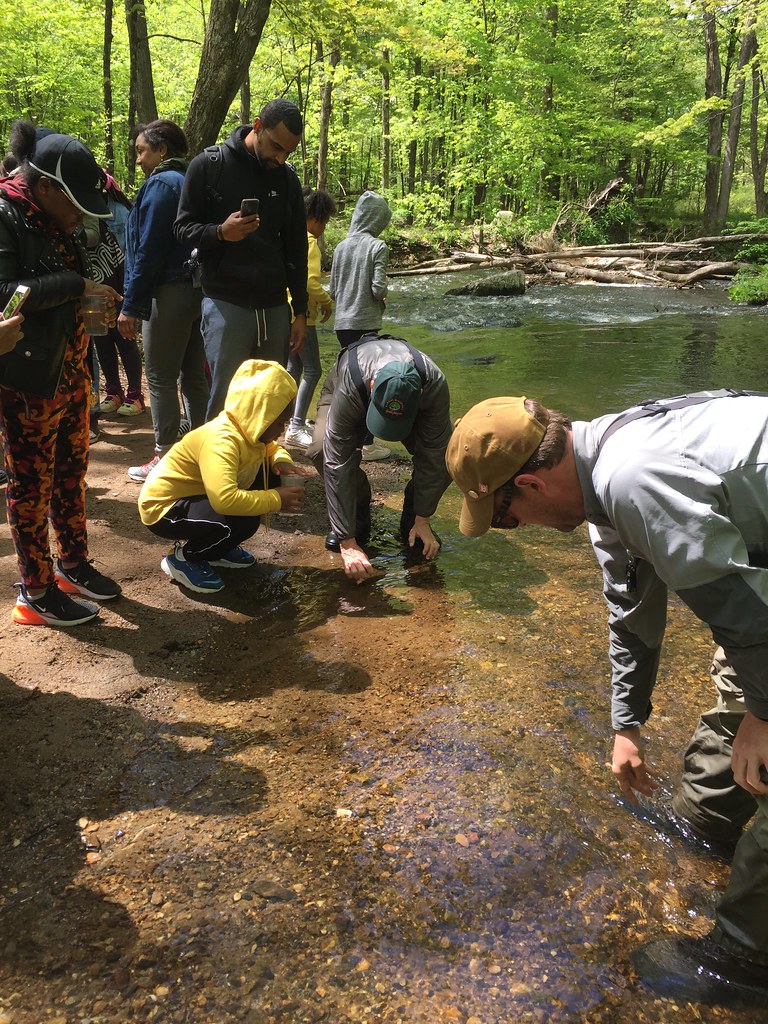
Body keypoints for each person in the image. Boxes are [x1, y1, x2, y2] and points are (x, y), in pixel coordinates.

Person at [445, 390, 768, 988]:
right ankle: (708, 832)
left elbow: (742, 608)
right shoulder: (603, 480)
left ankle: (747, 962)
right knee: (735, 726)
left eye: (506, 517)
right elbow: (631, 615)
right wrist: (627, 725)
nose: (514, 530)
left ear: (533, 487)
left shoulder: (634, 480)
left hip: (755, 589)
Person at [0, 122, 122, 626]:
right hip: (27, 380)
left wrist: (97, 292)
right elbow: (5, 294)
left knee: (71, 472)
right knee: (31, 485)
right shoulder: (5, 216)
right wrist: (72, 284)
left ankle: (72, 562)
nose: (80, 219)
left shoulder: (58, 217)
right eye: (75, 206)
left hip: (72, 368)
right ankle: (35, 587)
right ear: (44, 186)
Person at [174, 98, 309, 419]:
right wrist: (221, 232)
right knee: (225, 398)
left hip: (275, 306)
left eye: (288, 152)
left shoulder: (287, 179)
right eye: (276, 146)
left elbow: (296, 250)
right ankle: (218, 467)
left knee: (270, 402)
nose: (280, 157)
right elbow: (182, 229)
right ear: (258, 126)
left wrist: (300, 310)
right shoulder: (209, 165)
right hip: (225, 302)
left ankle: (261, 469)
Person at [138, 359, 308, 594]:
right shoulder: (222, 440)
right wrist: (276, 499)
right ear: (260, 416)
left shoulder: (250, 431)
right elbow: (224, 500)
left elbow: (267, 448)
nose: (282, 431)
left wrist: (282, 460)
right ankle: (185, 558)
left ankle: (217, 549)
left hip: (197, 496)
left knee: (271, 476)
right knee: (240, 519)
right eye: (280, 423)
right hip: (164, 509)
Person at [307, 334, 452, 581]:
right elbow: (336, 460)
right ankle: (358, 509)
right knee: (320, 450)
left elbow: (435, 454)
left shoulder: (433, 383)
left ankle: (412, 519)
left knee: (450, 453)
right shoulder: (353, 382)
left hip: (411, 402)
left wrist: (423, 517)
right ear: (373, 386)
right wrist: (347, 540)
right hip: (343, 388)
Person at [118, 119, 210, 483]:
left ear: (162, 151)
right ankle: (204, 452)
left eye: (142, 150)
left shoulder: (159, 185)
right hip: (198, 291)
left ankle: (166, 456)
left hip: (168, 291)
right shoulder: (193, 181)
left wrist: (131, 305)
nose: (139, 159)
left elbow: (149, 251)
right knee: (194, 377)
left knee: (158, 375)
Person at [328, 190, 392, 462]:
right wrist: (385, 293)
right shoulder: (378, 247)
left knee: (349, 381)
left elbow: (332, 290)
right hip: (365, 323)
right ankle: (367, 444)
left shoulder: (341, 247)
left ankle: (344, 437)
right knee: (368, 383)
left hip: (342, 323)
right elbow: (378, 289)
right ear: (377, 220)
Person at [283, 187, 337, 450]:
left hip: (285, 311)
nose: (324, 227)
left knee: (293, 369)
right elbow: (311, 282)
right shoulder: (310, 242)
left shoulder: (290, 238)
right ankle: (295, 426)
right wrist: (327, 301)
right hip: (303, 317)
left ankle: (286, 420)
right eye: (325, 221)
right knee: (313, 369)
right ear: (315, 217)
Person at [89, 172, 145, 417]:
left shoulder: (119, 212)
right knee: (101, 336)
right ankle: (113, 390)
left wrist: (129, 292)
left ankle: (135, 394)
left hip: (119, 282)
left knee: (124, 336)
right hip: (93, 282)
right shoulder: (84, 211)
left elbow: (129, 252)